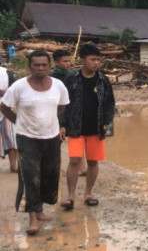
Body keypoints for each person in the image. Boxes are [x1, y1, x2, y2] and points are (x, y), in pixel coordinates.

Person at [0, 50, 70, 235]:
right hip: (27, 138)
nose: (40, 68)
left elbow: (62, 106)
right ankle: (32, 218)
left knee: (49, 175)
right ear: (29, 66)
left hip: (51, 137)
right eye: (36, 65)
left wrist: (51, 122)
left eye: (44, 65)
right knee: (30, 176)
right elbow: (5, 106)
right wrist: (18, 121)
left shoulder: (58, 85)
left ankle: (39, 210)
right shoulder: (19, 87)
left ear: (49, 66)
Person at [59, 44, 115, 210]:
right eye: (92, 59)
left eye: (98, 59)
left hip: (96, 128)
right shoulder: (71, 79)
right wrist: (62, 124)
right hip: (75, 127)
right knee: (75, 160)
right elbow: (64, 104)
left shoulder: (103, 80)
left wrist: (107, 122)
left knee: (93, 162)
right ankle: (70, 196)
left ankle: (88, 194)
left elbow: (110, 104)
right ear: (82, 60)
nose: (96, 63)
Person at [51, 49, 87, 175]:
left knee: (77, 139)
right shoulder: (52, 78)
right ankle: (55, 168)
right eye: (65, 61)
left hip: (73, 112)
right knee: (57, 142)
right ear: (56, 62)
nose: (68, 64)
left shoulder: (74, 76)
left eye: (69, 61)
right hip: (57, 113)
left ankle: (81, 168)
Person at [1, 64, 18, 172]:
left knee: (10, 136)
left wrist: (4, 92)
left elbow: (15, 89)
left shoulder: (5, 73)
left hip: (6, 107)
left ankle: (13, 165)